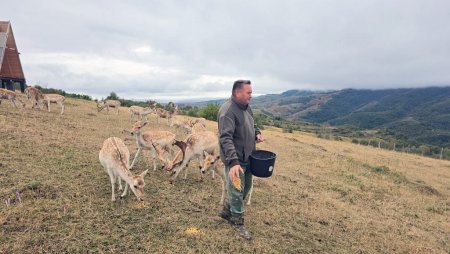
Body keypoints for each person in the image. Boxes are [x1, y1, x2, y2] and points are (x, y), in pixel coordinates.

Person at [217, 79, 264, 240]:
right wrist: (233, 162)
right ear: (237, 93)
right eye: (248, 93)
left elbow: (252, 122)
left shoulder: (246, 107)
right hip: (235, 161)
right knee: (237, 191)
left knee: (246, 187)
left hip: (248, 157)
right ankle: (237, 222)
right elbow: (225, 138)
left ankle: (226, 210)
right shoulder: (228, 111)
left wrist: (256, 132)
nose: (251, 95)